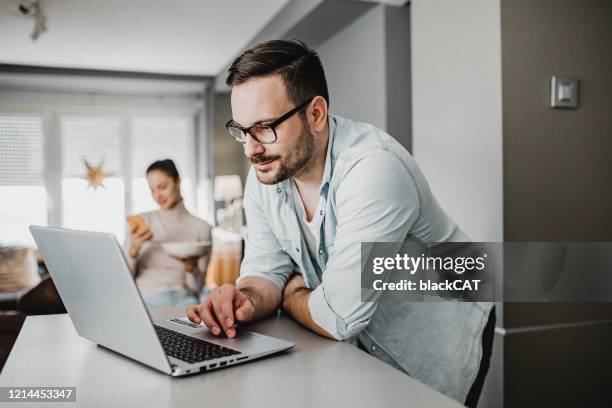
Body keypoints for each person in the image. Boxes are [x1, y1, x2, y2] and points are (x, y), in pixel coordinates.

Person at [186, 40, 495, 407]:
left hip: (438, 335)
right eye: (242, 130)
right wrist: (245, 300)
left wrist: (291, 293)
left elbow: (338, 318)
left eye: (266, 127)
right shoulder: (265, 177)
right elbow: (265, 272)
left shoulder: (374, 170)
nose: (251, 149)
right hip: (361, 343)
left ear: (316, 114)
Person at [123, 159, 211, 308]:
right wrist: (133, 252)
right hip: (146, 300)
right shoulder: (141, 223)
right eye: (152, 190)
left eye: (162, 187)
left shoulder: (201, 228)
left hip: (185, 300)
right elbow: (124, 281)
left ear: (178, 182)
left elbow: (196, 287)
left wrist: (191, 268)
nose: (157, 195)